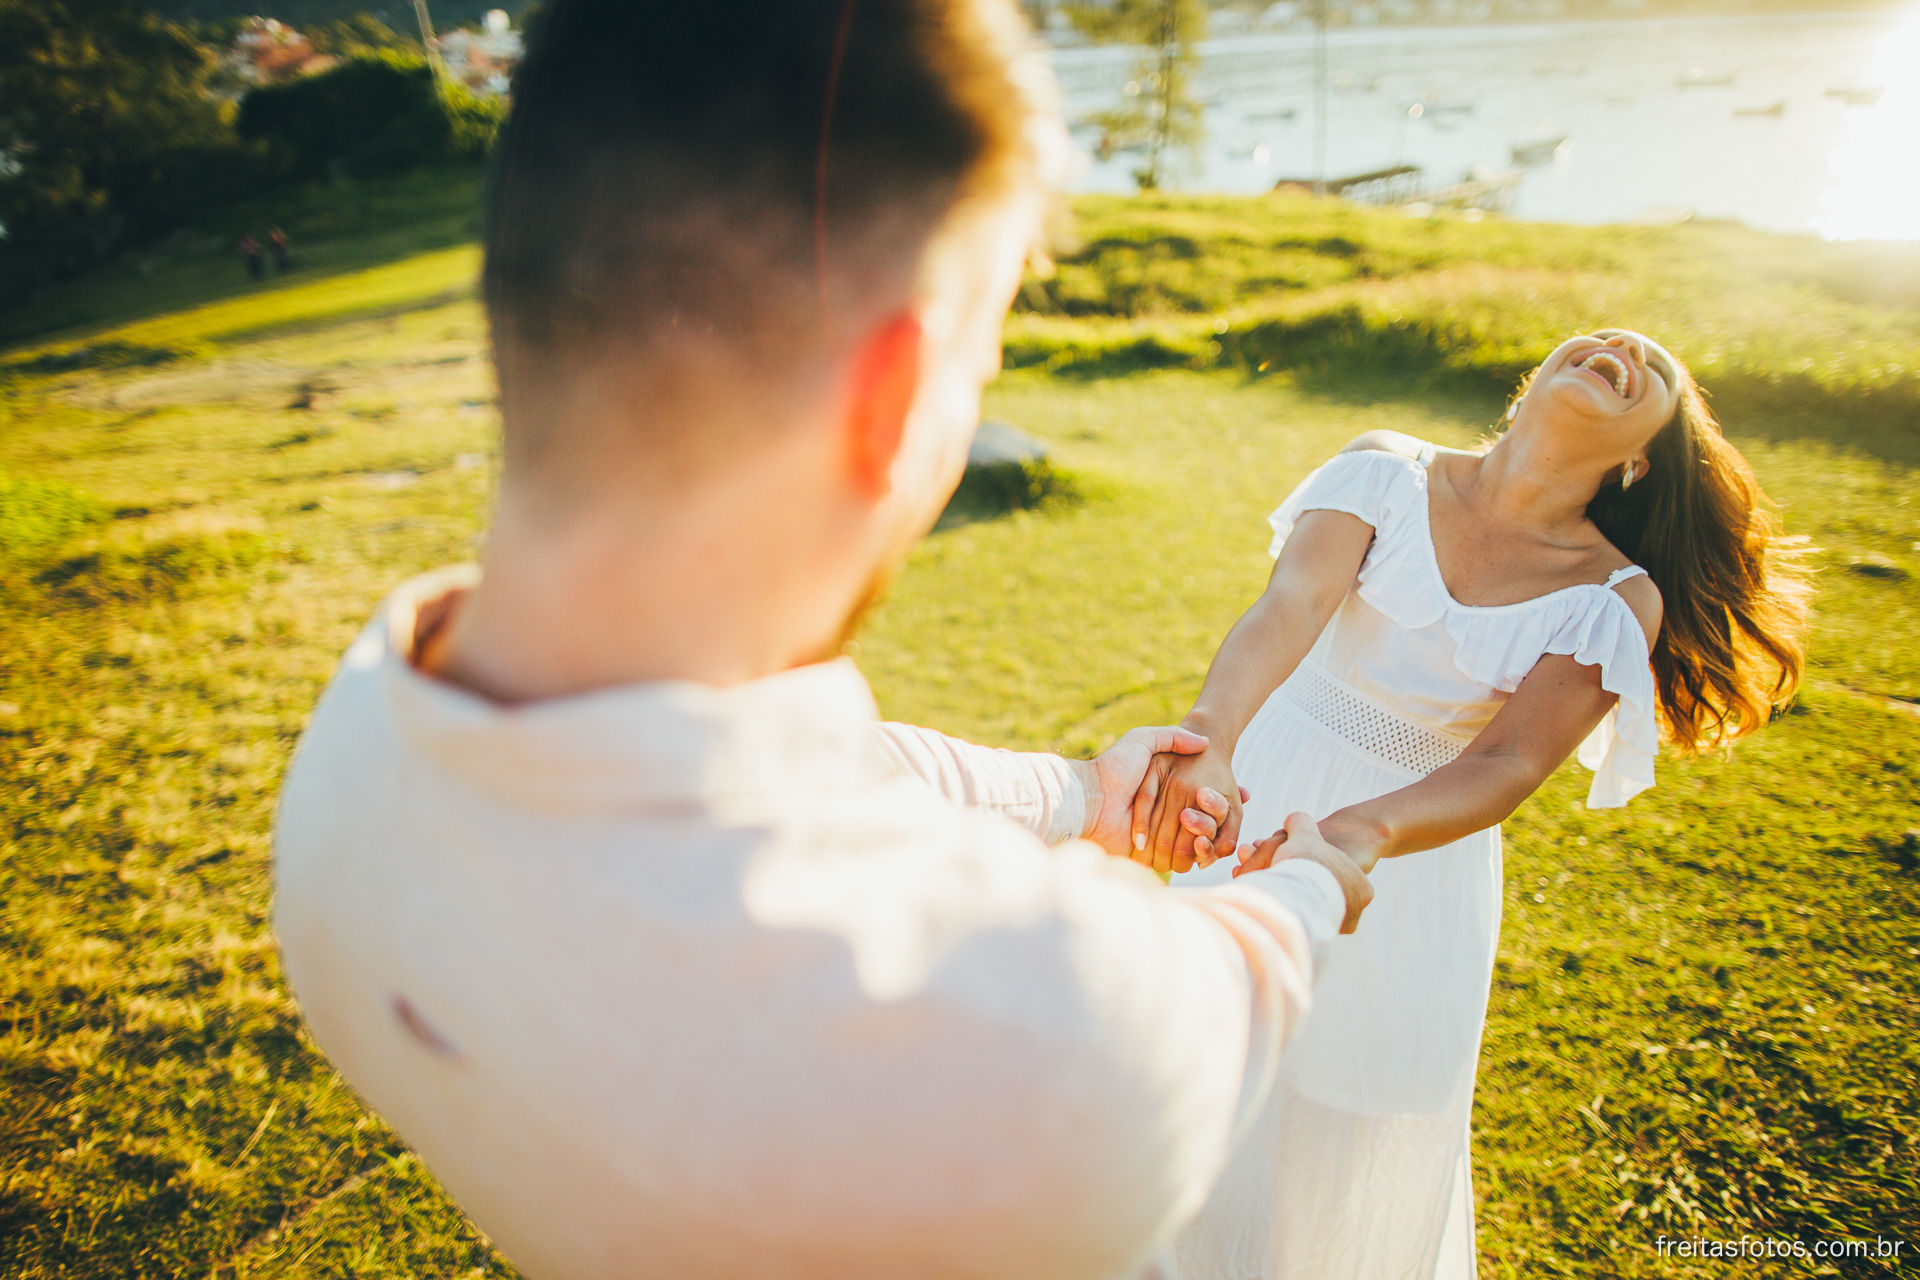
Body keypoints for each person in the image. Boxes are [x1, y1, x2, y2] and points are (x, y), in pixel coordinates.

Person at [271, 2, 1375, 1278]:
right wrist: (1315, 876)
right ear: (899, 401)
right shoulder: (1041, 1055)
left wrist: (1080, 796)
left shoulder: (357, 753)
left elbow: (811, 774)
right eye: (987, 351)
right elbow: (1211, 986)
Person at [1128, 330, 1814, 1280]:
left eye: (1653, 365)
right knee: (1182, 1045)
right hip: (1264, 785)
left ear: (1640, 456)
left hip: (1410, 853)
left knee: (1334, 1125)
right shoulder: (1381, 470)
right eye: (1606, 335)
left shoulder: (1612, 595)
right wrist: (1214, 741)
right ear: (1536, 380)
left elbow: (1507, 762)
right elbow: (1287, 606)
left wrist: (1360, 834)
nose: (1622, 344)